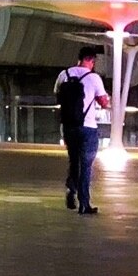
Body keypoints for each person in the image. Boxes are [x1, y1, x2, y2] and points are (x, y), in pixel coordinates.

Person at [55, 46, 107, 215]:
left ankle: (72, 189)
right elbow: (104, 102)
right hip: (88, 127)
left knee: (74, 160)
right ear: (91, 60)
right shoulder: (94, 77)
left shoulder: (65, 74)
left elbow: (58, 94)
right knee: (86, 165)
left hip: (69, 126)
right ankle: (84, 204)